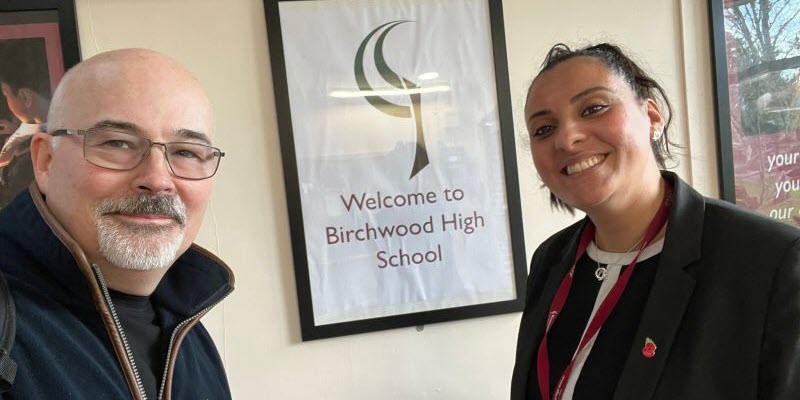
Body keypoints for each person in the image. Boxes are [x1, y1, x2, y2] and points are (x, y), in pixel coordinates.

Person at [510, 43, 800, 400]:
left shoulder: (770, 260)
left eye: (593, 108)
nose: (567, 139)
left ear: (651, 117)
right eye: (544, 129)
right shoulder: (550, 260)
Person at [0, 49, 233, 399]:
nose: (157, 179)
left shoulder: (188, 333)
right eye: (118, 143)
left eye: (186, 152)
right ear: (46, 160)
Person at [0, 38, 53, 208]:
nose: (7, 102)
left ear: (24, 97)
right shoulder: (51, 122)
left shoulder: (26, 168)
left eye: (6, 95)